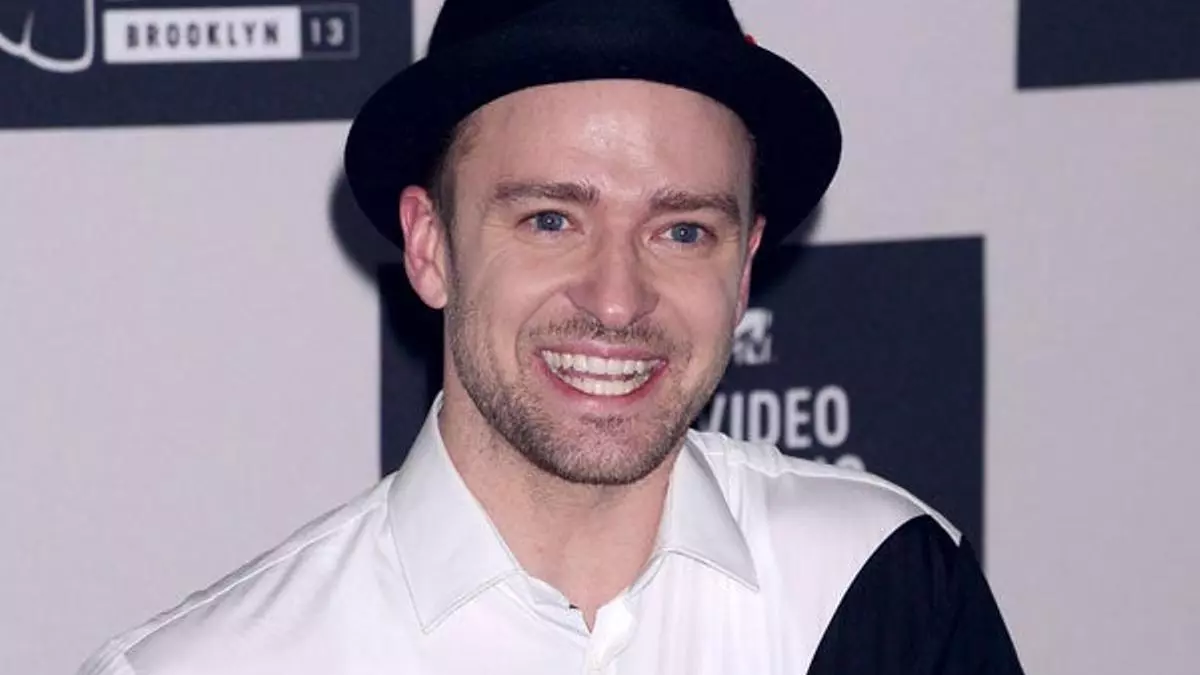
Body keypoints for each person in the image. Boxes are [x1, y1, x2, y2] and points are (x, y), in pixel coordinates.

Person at [79, 0, 1025, 673]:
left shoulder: (883, 591)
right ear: (430, 246)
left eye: (681, 231)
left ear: (742, 270)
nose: (616, 300)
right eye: (550, 219)